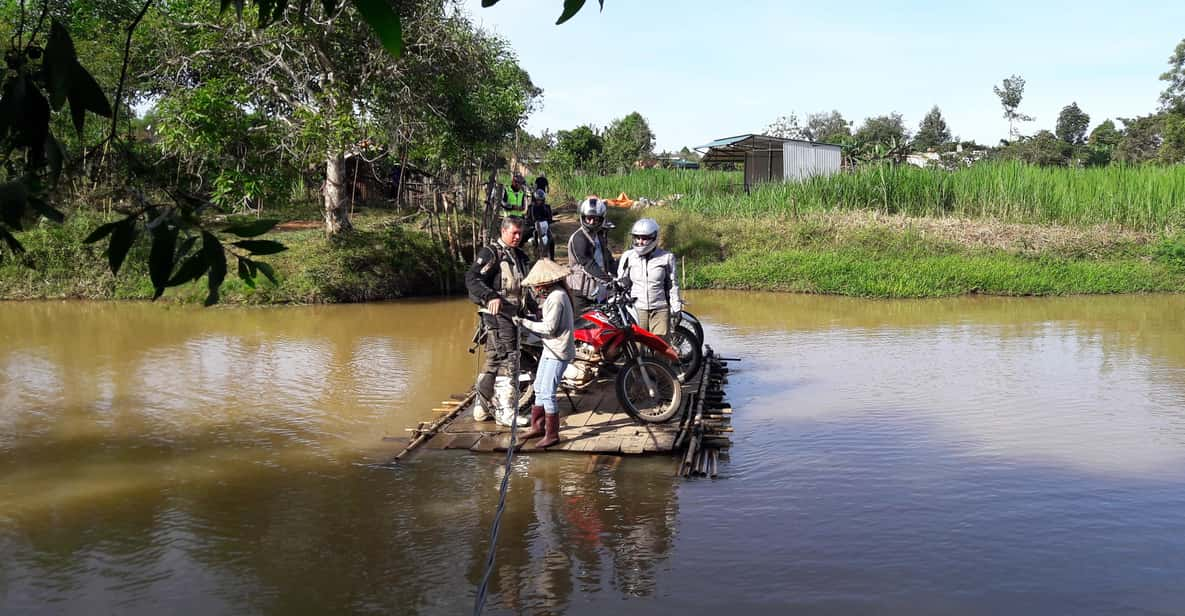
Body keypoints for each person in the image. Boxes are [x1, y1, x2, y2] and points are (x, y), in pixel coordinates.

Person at [465, 216, 531, 419]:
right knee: (508, 360)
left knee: (493, 361)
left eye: (520, 233)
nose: (518, 237)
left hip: (514, 315)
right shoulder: (491, 253)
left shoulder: (518, 255)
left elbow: (524, 286)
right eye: (514, 233)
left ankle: (482, 406)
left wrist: (534, 307)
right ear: (503, 231)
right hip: (497, 316)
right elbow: (472, 278)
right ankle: (505, 412)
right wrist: (490, 296)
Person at [512, 259, 575, 448]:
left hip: (558, 351)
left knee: (547, 393)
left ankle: (552, 434)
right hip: (550, 348)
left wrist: (524, 322)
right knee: (539, 386)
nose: (535, 289)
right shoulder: (556, 294)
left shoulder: (556, 297)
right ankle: (537, 426)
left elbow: (549, 327)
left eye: (536, 286)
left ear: (544, 283)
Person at [616, 218, 682, 337]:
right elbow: (621, 282)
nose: (640, 242)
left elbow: (673, 285)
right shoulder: (628, 257)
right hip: (636, 309)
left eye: (645, 238)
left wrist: (676, 306)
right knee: (637, 347)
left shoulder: (666, 257)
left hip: (660, 309)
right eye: (637, 237)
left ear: (654, 237)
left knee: (660, 348)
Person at [566, 196, 615, 317]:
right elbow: (588, 264)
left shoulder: (599, 236)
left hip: (598, 290)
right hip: (581, 292)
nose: (592, 222)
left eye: (595, 219)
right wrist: (609, 281)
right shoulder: (579, 238)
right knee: (582, 329)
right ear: (583, 217)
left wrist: (619, 275)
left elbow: (608, 259)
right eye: (589, 218)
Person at [526, 188, 555, 260]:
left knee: (551, 239)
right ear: (535, 199)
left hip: (544, 226)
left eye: (541, 200)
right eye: (538, 199)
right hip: (534, 227)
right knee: (531, 238)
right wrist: (531, 222)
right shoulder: (531, 207)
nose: (539, 201)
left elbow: (550, 217)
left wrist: (549, 221)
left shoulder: (547, 207)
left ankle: (552, 258)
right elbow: (528, 218)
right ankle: (534, 255)